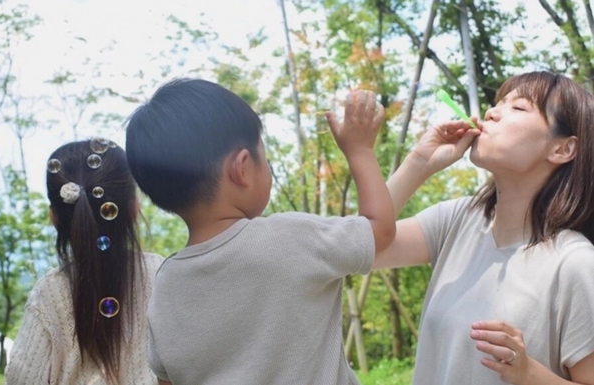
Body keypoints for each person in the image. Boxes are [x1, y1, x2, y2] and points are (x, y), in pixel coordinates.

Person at [124, 78, 395, 385]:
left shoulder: (167, 283)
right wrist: (359, 150)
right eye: (264, 160)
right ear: (241, 168)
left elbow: (166, 381)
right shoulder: (290, 239)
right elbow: (381, 229)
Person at [375, 71, 594, 384]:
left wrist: (529, 373)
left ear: (562, 149)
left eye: (518, 108)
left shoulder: (575, 264)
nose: (492, 112)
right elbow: (355, 248)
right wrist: (418, 164)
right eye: (497, 104)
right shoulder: (456, 220)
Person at [5, 138, 163, 384]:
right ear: (134, 208)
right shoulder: (162, 276)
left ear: (54, 217)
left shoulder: (49, 293)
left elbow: (22, 378)